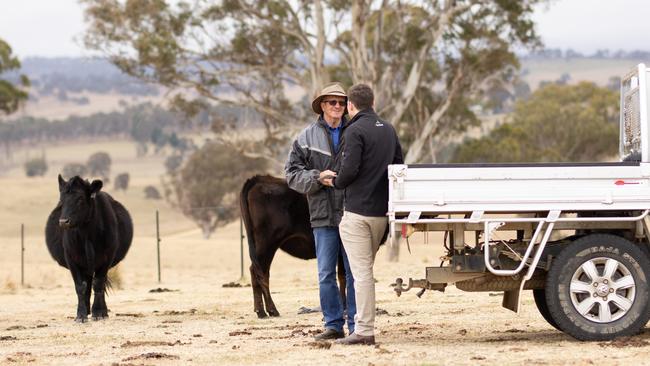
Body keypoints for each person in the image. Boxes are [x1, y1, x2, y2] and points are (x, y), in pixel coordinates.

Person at [322, 83, 403, 345]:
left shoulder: (354, 129)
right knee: (365, 271)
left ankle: (365, 331)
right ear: (374, 102)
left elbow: (349, 171)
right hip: (382, 214)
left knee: (361, 274)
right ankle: (362, 326)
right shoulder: (389, 129)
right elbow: (399, 167)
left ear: (352, 106)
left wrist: (333, 181)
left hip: (357, 214)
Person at [285, 83, 356, 340]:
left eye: (341, 102)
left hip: (352, 215)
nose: (337, 107)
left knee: (354, 273)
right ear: (322, 106)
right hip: (323, 216)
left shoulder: (356, 131)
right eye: (332, 102)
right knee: (326, 274)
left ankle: (357, 327)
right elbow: (291, 174)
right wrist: (317, 177)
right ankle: (333, 325)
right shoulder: (305, 137)